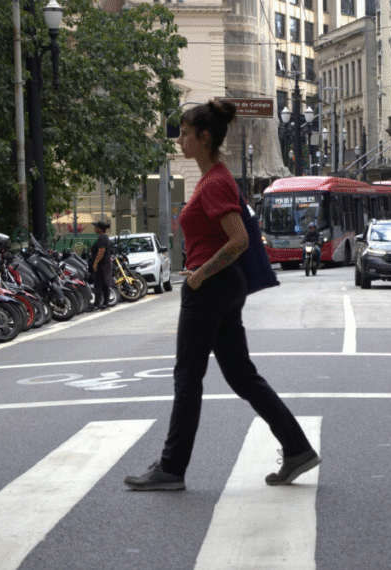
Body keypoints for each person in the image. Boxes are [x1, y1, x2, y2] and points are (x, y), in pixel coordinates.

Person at [124, 100, 319, 491]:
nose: (179, 140)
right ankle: (297, 449)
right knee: (241, 375)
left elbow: (239, 239)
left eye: (183, 133)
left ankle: (171, 468)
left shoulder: (214, 182)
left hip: (211, 288)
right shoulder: (214, 178)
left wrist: (200, 275)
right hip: (223, 287)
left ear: (203, 137)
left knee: (187, 377)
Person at [89, 220, 112, 310]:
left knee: (98, 285)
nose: (94, 228)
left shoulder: (102, 238)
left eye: (96, 227)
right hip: (105, 264)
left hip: (102, 265)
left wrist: (95, 263)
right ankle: (104, 303)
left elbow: (101, 251)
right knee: (104, 284)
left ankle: (97, 304)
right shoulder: (104, 237)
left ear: (99, 229)